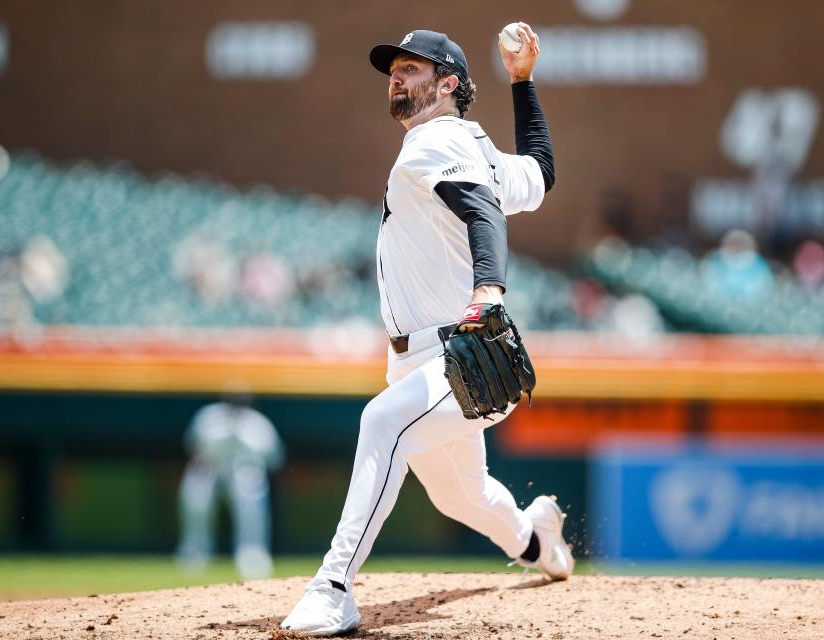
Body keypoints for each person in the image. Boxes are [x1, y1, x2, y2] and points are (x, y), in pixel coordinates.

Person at [281, 24, 573, 636]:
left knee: (381, 421)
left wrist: (490, 288)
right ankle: (538, 541)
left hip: (456, 351)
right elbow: (541, 173)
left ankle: (333, 587)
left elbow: (483, 209)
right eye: (395, 67)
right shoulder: (475, 146)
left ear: (448, 85)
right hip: (423, 357)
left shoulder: (434, 142)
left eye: (413, 68)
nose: (397, 74)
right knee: (460, 498)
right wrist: (522, 83)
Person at [175, 392, 285, 580]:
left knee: (250, 500)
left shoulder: (258, 422)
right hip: (210, 467)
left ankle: (252, 554)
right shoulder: (209, 416)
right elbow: (192, 445)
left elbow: (275, 458)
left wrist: (242, 439)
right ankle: (195, 552)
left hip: (243, 470)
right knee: (197, 497)